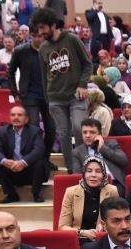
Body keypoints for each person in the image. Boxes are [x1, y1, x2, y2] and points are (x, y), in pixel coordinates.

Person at [32, 8, 92, 175]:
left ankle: (84, 167)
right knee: (64, 134)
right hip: (55, 99)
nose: (40, 32)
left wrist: (82, 84)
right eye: (38, 28)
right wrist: (48, 101)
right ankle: (72, 170)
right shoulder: (43, 48)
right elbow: (44, 77)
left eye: (43, 27)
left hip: (75, 95)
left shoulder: (71, 39)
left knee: (79, 128)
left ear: (53, 25)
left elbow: (88, 64)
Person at [9, 28, 56, 175]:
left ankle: (45, 158)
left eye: (40, 36)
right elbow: (10, 72)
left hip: (49, 95)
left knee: (51, 129)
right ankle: (36, 160)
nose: (37, 39)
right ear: (30, 36)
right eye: (34, 36)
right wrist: (14, 92)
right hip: (29, 95)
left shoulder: (50, 49)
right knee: (34, 128)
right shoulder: (20, 51)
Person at [0, 106, 46, 204]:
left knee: (39, 162)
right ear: (9, 118)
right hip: (11, 169)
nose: (16, 117)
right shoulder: (2, 131)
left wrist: (23, 162)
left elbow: (39, 150)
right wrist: (5, 161)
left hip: (29, 170)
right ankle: (11, 194)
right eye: (13, 115)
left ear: (26, 119)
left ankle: (36, 193)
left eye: (20, 115)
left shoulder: (35, 131)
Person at [58, 156, 119, 241]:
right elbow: (62, 227)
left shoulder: (112, 191)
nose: (93, 175)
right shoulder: (71, 192)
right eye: (89, 171)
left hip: (102, 240)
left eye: (98, 171)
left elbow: (117, 221)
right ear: (84, 173)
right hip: (78, 240)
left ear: (104, 174)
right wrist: (82, 232)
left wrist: (105, 226)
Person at [72, 118, 129, 198]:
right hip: (91, 186)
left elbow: (124, 161)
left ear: (99, 134)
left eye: (92, 132)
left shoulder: (111, 143)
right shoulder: (77, 152)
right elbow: (77, 175)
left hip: (114, 184)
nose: (87, 135)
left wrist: (102, 148)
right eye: (84, 132)